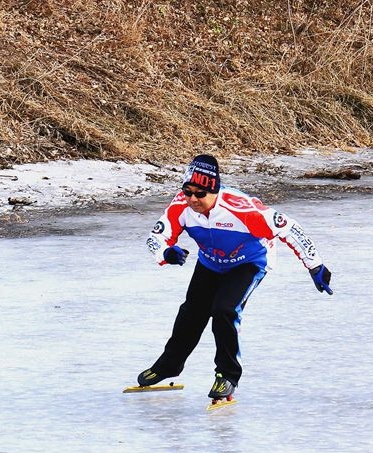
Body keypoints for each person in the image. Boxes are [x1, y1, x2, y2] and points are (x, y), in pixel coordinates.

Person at [137, 154, 333, 400]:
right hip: (211, 263)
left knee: (224, 310)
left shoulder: (243, 209)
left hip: (249, 262)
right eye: (188, 192)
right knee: (191, 313)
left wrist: (315, 265)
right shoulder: (181, 206)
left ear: (214, 190)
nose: (192, 199)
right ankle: (168, 366)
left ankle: (227, 375)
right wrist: (166, 252)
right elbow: (155, 237)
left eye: (199, 194)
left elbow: (288, 227)